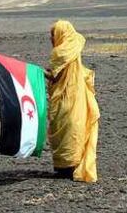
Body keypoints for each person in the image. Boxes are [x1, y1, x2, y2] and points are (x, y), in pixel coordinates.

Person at [45, 20, 100, 182]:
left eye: (53, 34)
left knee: (66, 129)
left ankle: (65, 166)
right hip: (77, 95)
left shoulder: (59, 52)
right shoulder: (73, 45)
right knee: (74, 128)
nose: (51, 38)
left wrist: (34, 71)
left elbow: (55, 76)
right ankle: (72, 164)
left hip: (65, 97)